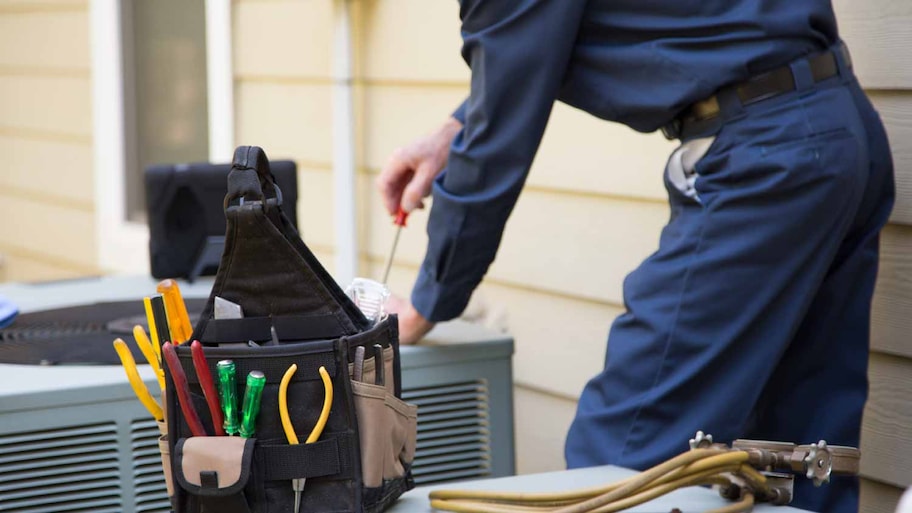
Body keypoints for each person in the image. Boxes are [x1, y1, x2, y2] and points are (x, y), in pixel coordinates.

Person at [376, 2, 894, 512]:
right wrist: (454, 131)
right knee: (799, 459)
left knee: (621, 463)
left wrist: (428, 302)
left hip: (770, 158)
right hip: (837, 126)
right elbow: (528, 50)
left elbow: (499, 133)